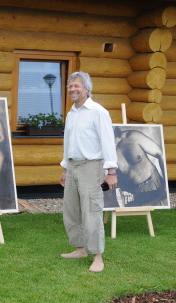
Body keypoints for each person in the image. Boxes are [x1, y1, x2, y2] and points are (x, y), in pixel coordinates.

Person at [59, 71, 118, 273]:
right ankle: (80, 249)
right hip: (73, 166)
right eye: (70, 86)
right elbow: (69, 143)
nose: (73, 89)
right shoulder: (71, 112)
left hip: (92, 167)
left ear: (87, 89)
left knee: (92, 211)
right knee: (72, 209)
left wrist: (111, 172)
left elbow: (108, 142)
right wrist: (65, 168)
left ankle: (98, 257)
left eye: (77, 86)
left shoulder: (98, 112)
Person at [112, 128, 167, 207]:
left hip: (154, 185)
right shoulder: (105, 151)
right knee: (137, 218)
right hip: (131, 193)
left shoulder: (132, 137)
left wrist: (166, 184)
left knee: (159, 215)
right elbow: (114, 175)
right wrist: (122, 190)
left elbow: (161, 154)